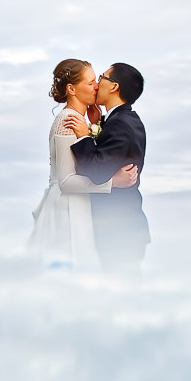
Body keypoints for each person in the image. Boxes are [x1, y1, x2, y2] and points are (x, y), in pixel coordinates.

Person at [28, 58, 139, 272]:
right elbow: (66, 182)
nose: (96, 86)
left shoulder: (82, 121)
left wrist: (95, 125)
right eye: (90, 83)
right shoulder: (67, 121)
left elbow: (91, 160)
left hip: (81, 206)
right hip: (66, 210)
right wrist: (113, 182)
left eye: (96, 81)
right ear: (71, 89)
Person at [71, 63, 149, 273]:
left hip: (119, 230)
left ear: (114, 87)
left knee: (122, 295)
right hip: (125, 227)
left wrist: (83, 137)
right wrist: (99, 123)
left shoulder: (120, 124)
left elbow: (96, 172)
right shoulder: (124, 120)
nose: (96, 84)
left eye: (102, 78)